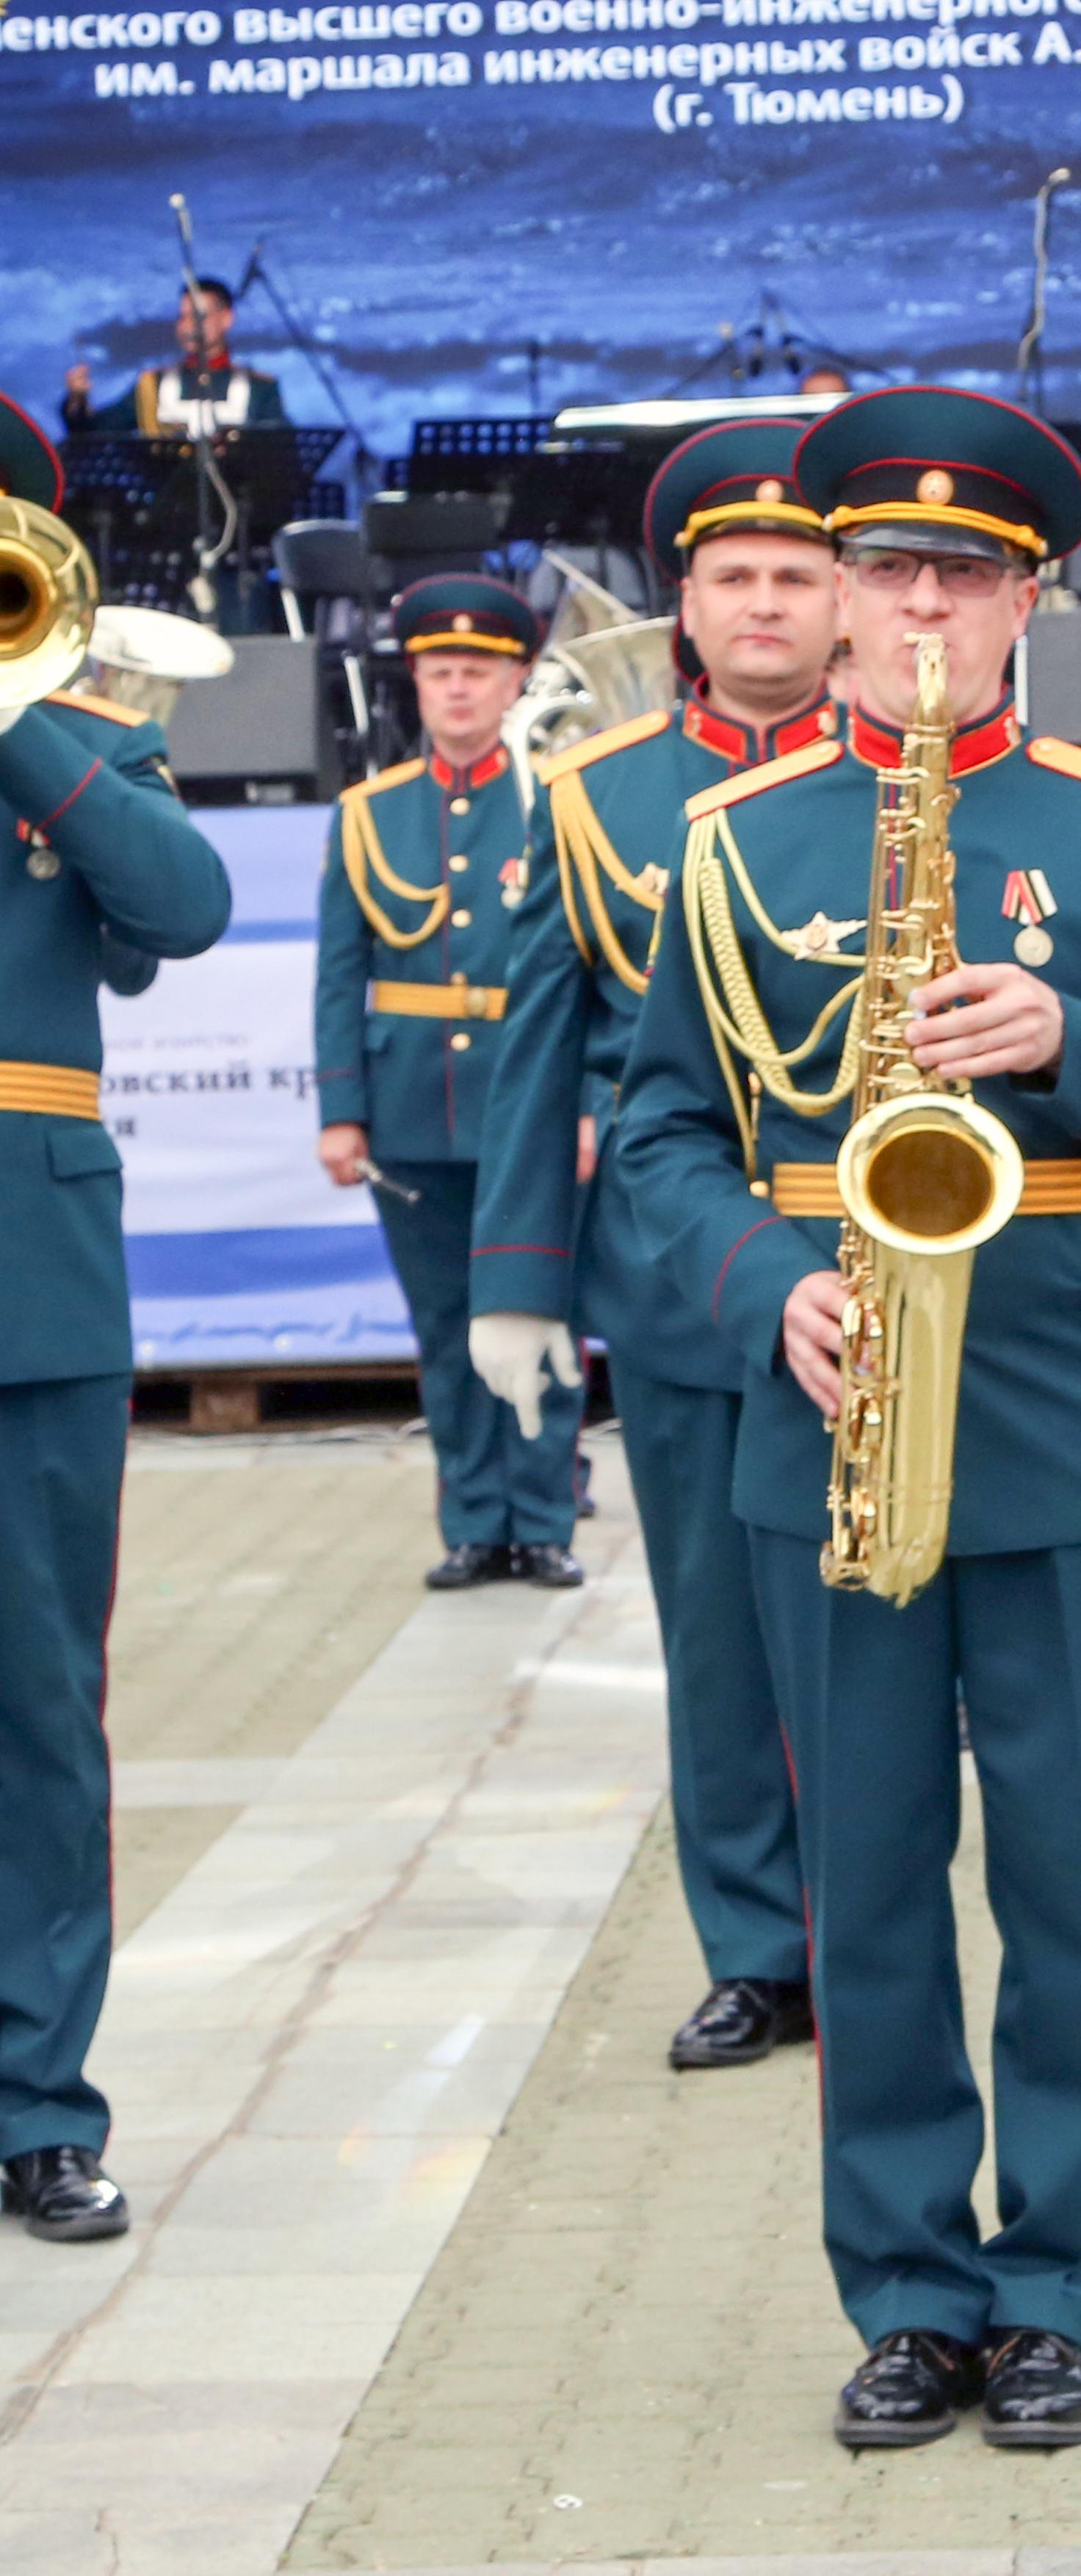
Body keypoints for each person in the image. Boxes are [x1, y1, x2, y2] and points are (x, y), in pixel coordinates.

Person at [616, 386, 1081, 2450]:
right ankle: (907, 2289)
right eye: (885, 571)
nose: (918, 610)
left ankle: (1058, 2290)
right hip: (829, 1403)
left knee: (1073, 1886)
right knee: (869, 1885)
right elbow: (660, 1138)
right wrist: (767, 1287)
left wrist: (1072, 1036)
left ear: (1022, 605)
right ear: (833, 596)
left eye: (961, 579)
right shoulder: (728, 841)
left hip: (1061, 1410)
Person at [468, 422, 840, 2071]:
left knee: (881, 1626)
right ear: (681, 605)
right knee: (717, 1628)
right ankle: (760, 1950)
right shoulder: (594, 795)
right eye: (732, 575)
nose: (763, 602)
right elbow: (538, 1046)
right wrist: (513, 1283)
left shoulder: (918, 777)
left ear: (843, 600)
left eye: (795, 574)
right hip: (681, 1272)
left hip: (883, 1257)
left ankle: (874, 1933)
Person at [0, 393, 232, 2243]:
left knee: (34, 1713)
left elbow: (184, 908)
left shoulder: (73, 740)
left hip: (32, 1281)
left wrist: (22, 718)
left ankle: (35, 2105)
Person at [314, 575, 586, 1591]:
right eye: (440, 673)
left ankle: (544, 1522)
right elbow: (339, 975)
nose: (459, 689)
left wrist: (589, 1106)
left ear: (518, 682)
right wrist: (342, 1113)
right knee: (443, 1326)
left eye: (479, 671)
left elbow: (593, 971)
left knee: (541, 1313)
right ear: (416, 684)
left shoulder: (560, 802)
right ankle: (474, 1523)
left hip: (534, 1105)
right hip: (412, 1112)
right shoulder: (368, 814)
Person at [62, 278, 289, 441]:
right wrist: (77, 400)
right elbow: (94, 431)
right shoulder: (153, 385)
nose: (188, 326)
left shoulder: (260, 389)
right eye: (183, 317)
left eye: (198, 316)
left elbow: (281, 455)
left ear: (227, 319)